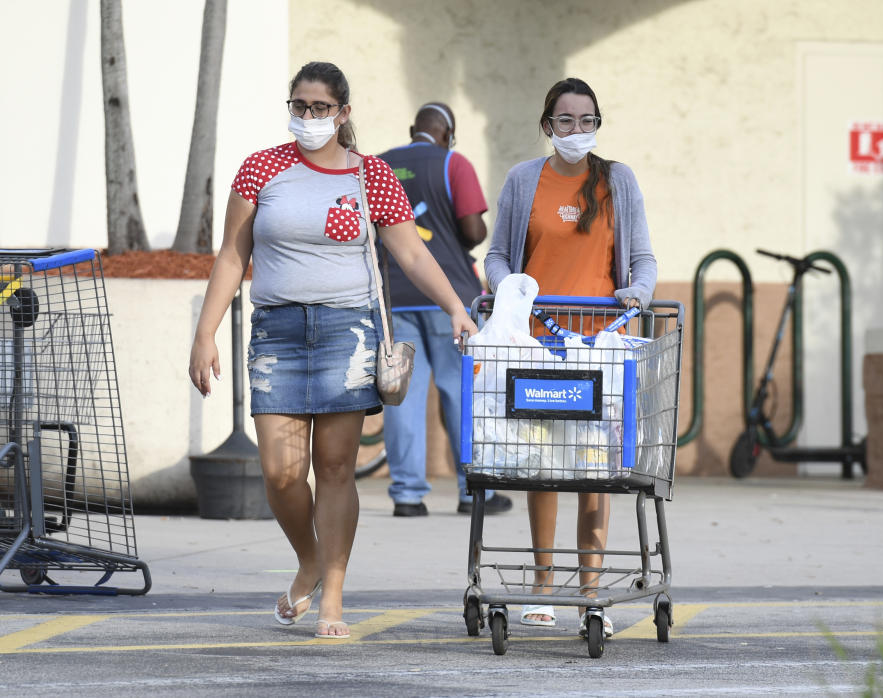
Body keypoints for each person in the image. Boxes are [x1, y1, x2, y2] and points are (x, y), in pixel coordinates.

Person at [188, 62, 477, 639]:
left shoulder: (371, 176)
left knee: (336, 468)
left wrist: (455, 307)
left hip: (349, 332)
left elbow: (415, 257)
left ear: (343, 113)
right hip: (278, 334)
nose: (309, 117)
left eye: (321, 108)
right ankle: (309, 560)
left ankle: (333, 598)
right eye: (300, 105)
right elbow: (230, 255)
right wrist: (205, 331)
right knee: (280, 473)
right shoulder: (261, 169)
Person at [484, 77, 656, 637]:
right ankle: (540, 583)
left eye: (586, 121)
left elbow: (644, 261)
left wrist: (638, 294)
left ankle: (589, 591)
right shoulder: (522, 180)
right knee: (541, 464)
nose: (576, 131)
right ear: (547, 125)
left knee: (593, 467)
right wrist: (507, 288)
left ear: (598, 125)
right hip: (535, 341)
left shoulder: (617, 181)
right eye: (565, 121)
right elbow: (499, 255)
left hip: (599, 343)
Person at [378, 103, 512, 517]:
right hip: (449, 297)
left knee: (402, 396)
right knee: (461, 393)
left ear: (413, 129)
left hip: (394, 296)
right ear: (448, 134)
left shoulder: (381, 165)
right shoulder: (454, 163)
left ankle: (406, 495)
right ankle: (474, 492)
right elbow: (473, 230)